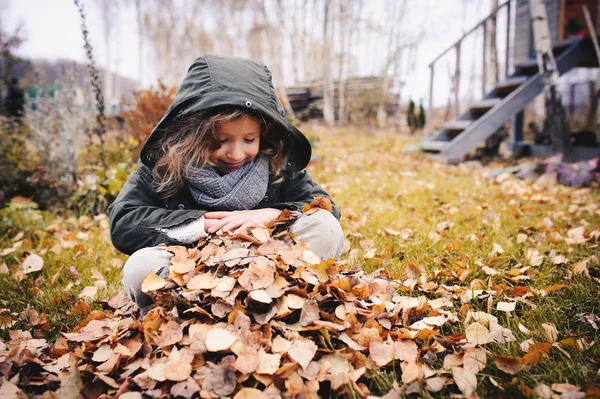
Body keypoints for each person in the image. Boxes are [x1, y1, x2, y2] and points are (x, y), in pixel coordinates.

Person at [108, 54, 344, 308]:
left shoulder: (276, 160)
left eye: (249, 140)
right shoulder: (164, 165)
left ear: (263, 135)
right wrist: (199, 224)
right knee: (139, 268)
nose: (235, 153)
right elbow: (124, 221)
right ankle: (201, 307)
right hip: (192, 266)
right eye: (220, 141)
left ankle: (270, 297)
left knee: (325, 226)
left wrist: (271, 214)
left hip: (268, 260)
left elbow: (325, 206)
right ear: (193, 135)